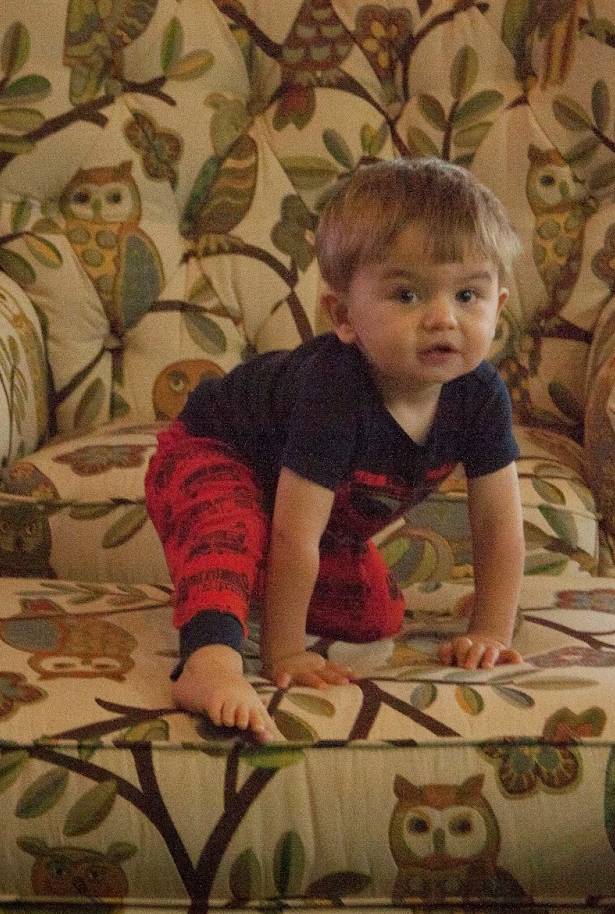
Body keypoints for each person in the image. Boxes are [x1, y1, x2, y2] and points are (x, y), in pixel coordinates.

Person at [144, 157, 526, 743]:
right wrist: (284, 653)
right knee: (230, 527)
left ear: (497, 307)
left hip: (312, 515)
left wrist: (491, 631)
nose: (443, 318)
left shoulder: (479, 396)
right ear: (344, 316)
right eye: (407, 294)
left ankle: (238, 585)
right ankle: (209, 662)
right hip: (213, 451)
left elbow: (498, 525)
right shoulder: (334, 390)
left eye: (467, 294)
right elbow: (294, 534)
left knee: (376, 616)